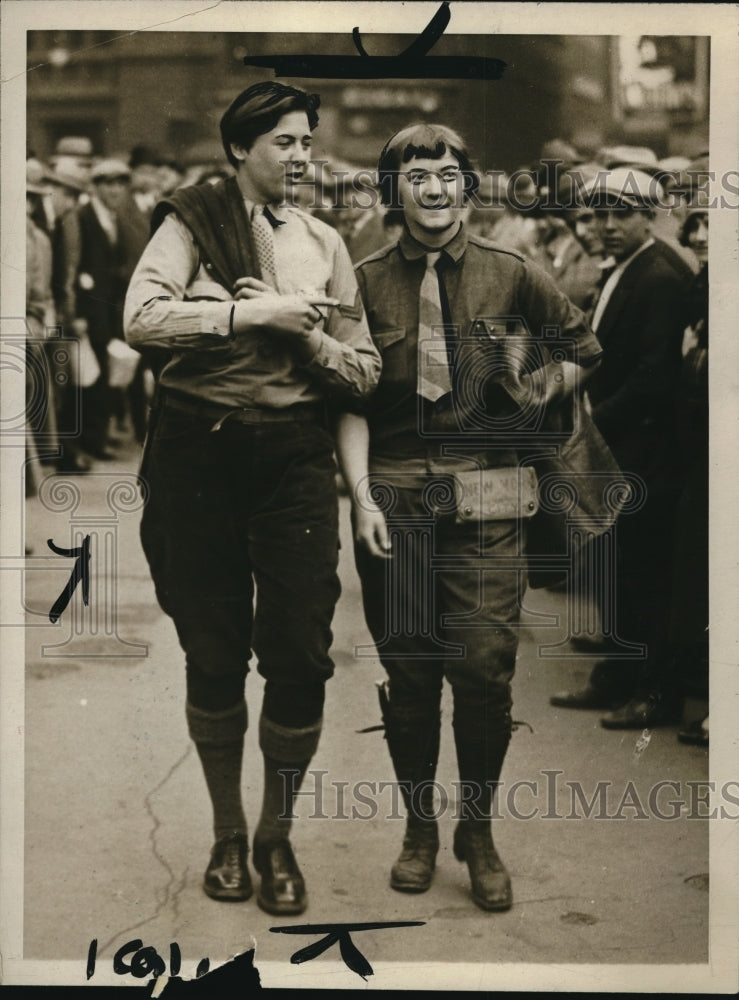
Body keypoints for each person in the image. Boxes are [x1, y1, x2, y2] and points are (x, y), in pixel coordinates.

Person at [123, 81, 380, 916]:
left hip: (292, 456)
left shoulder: (324, 242)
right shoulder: (189, 225)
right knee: (212, 651)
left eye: (306, 141)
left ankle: (277, 835)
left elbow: (362, 369)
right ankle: (227, 834)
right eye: (283, 142)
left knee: (300, 651)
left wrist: (306, 340)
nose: (300, 156)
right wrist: (245, 316)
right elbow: (141, 318)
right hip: (198, 451)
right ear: (239, 148)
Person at [335, 124, 602, 911]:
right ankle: (419, 829)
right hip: (396, 499)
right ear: (394, 190)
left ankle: (476, 832)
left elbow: (583, 347)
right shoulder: (363, 280)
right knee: (410, 674)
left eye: (448, 173)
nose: (434, 188)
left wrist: (538, 388)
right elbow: (348, 401)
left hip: (486, 496)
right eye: (416, 175)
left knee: (484, 672)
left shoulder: (510, 271)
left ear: (467, 185)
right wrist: (360, 496)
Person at [549, 168, 694, 728]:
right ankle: (618, 675)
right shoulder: (626, 267)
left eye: (623, 214)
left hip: (646, 452)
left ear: (650, 217)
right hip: (621, 446)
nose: (608, 225)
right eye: (602, 214)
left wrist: (592, 426)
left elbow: (652, 377)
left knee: (646, 574)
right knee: (619, 566)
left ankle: (655, 692)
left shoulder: (660, 276)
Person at [76, 158, 132, 460]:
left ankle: (98, 436)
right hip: (91, 309)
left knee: (108, 373)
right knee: (92, 375)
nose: (115, 191)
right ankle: (91, 441)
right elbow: (76, 266)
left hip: (110, 309)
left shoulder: (113, 217)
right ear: (96, 187)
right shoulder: (85, 216)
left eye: (120, 185)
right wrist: (79, 313)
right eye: (109, 184)